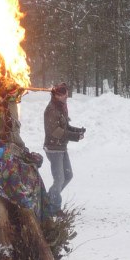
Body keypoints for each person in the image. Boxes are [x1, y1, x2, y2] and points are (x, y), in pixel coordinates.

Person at [43, 82, 85, 213]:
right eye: (64, 94)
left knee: (68, 175)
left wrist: (77, 131)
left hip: (62, 147)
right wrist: (73, 136)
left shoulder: (61, 107)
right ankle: (54, 208)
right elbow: (56, 131)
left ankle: (49, 199)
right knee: (59, 179)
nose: (67, 96)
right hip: (53, 149)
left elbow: (65, 126)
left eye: (67, 93)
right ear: (57, 95)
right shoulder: (51, 110)